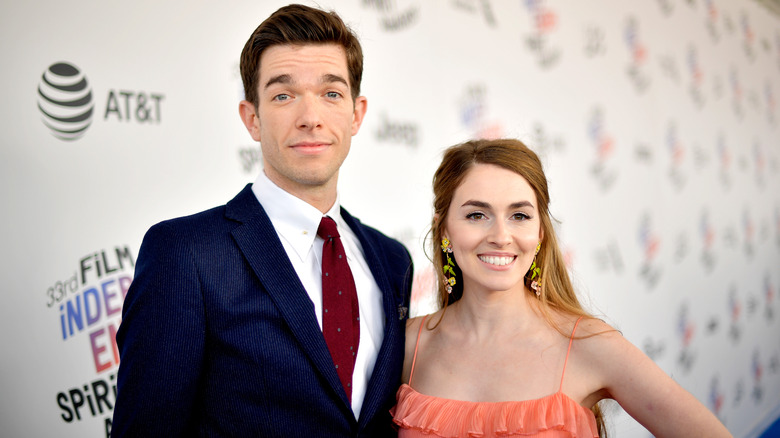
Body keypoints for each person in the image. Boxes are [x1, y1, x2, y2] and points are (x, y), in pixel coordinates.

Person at [112, 4, 413, 437]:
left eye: (331, 93)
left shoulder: (392, 260)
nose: (310, 117)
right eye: (283, 95)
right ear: (251, 118)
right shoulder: (185, 253)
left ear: (356, 114)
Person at [391, 138, 731, 437]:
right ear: (444, 230)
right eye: (477, 215)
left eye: (519, 216)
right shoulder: (407, 345)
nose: (500, 236)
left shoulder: (589, 344)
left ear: (540, 233)